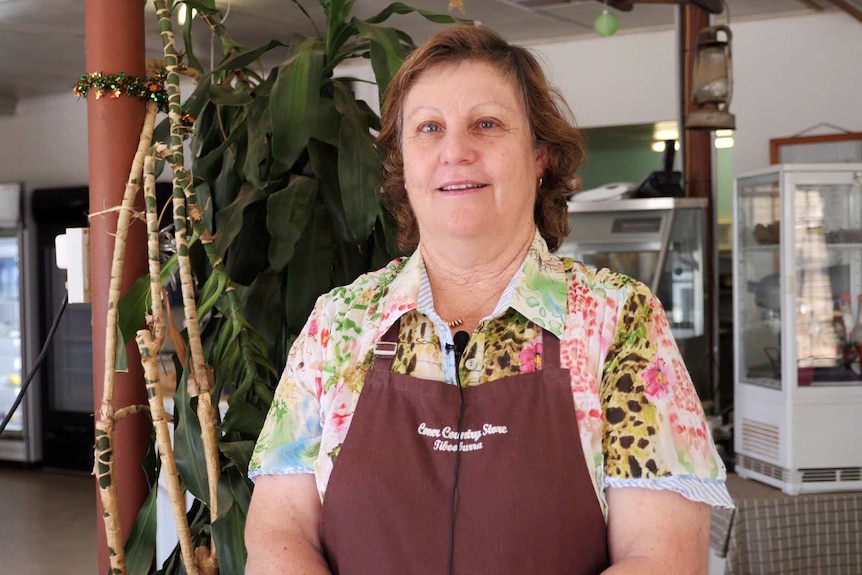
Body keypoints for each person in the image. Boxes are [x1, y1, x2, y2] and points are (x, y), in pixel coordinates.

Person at [245, 24, 732, 575]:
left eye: (487, 124)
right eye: (429, 128)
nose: (456, 151)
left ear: (541, 154)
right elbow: (277, 533)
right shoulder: (339, 323)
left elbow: (661, 557)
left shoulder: (617, 321)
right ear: (402, 165)